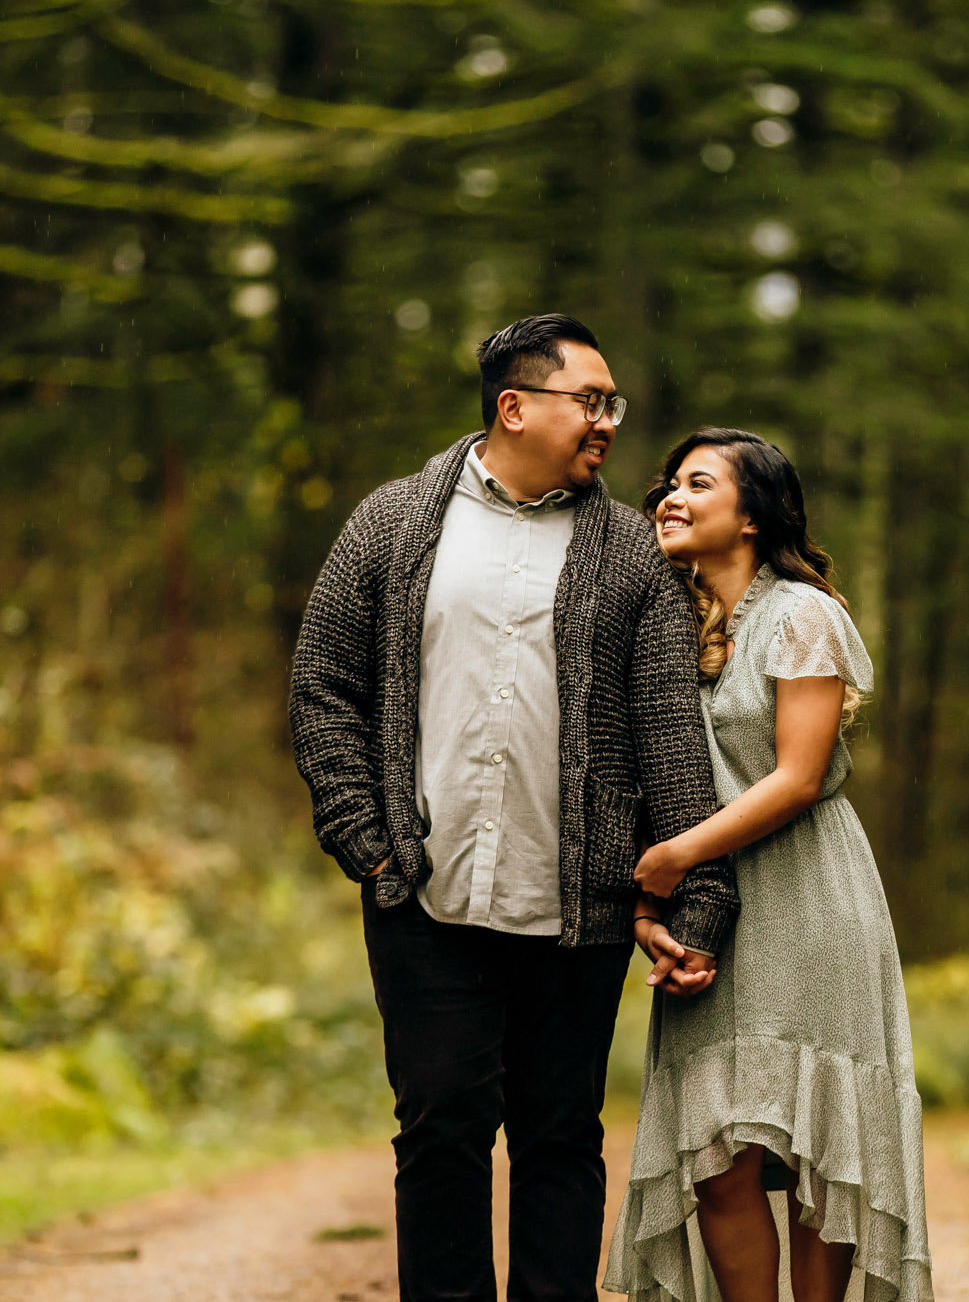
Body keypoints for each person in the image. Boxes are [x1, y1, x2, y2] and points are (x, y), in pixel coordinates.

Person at [288, 315, 737, 1302]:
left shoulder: (627, 552)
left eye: (611, 405)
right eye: (591, 401)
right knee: (439, 1132)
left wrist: (693, 898)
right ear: (514, 406)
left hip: (575, 905)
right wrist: (366, 841)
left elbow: (666, 731)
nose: (607, 424)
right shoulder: (393, 522)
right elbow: (324, 685)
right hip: (422, 894)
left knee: (560, 1138)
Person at [607, 429, 933, 1302]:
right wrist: (659, 901)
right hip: (706, 904)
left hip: (807, 893)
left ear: (751, 515)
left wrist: (675, 856)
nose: (670, 496)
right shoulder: (663, 624)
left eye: (698, 483)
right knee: (717, 1155)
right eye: (668, 483)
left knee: (818, 1147)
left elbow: (794, 777)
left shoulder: (803, 613)